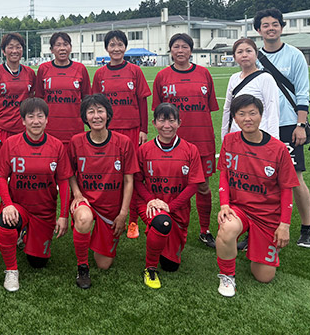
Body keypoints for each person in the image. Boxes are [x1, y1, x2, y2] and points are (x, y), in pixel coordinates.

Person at [215, 95, 299, 297]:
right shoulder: (229, 141)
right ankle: (227, 276)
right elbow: (224, 174)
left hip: (267, 215)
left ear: (261, 115)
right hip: (240, 209)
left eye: (252, 113)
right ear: (235, 118)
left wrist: (284, 225)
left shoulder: (279, 149)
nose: (247, 118)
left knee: (264, 276)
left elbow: (287, 189)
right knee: (227, 228)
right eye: (241, 114)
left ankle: (258, 242)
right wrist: (225, 204)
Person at [0, 98, 73, 292]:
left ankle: (25, 234)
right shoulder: (11, 144)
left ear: (47, 120)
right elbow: (1, 177)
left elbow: (64, 182)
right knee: (6, 222)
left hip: (44, 212)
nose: (36, 121)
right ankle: (11, 270)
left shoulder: (57, 146)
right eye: (31, 116)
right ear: (23, 120)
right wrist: (7, 204)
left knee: (38, 263)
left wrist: (63, 215)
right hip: (19, 207)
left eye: (40, 116)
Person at [255, 8, 310, 248]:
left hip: (289, 125)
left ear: (281, 27)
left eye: (275, 24)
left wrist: (300, 125)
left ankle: (306, 228)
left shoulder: (295, 55)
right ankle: (258, 227)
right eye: (265, 25)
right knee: (261, 178)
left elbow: (302, 92)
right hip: (261, 126)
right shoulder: (254, 56)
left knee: (295, 178)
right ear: (258, 30)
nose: (271, 28)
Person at [152, 33, 218, 248]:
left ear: (191, 50)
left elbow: (209, 107)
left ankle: (205, 230)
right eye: (176, 47)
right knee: (171, 187)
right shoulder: (162, 76)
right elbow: (158, 113)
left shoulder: (204, 73)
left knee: (203, 186)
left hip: (202, 140)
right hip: (172, 142)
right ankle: (166, 225)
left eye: (184, 47)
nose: (180, 51)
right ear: (170, 50)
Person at [68, 94, 137, 289]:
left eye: (100, 111)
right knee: (83, 218)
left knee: (104, 264)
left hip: (110, 210)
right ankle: (82, 267)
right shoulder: (76, 141)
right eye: (91, 112)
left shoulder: (123, 142)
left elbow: (129, 180)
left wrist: (123, 214)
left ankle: (95, 237)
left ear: (108, 115)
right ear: (85, 117)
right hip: (86, 203)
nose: (96, 116)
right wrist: (77, 194)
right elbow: (70, 173)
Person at [135, 103, 204, 289]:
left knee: (171, 266)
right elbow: (137, 182)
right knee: (162, 222)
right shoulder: (144, 150)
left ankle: (159, 237)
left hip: (177, 209)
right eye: (162, 120)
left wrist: (170, 206)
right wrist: (151, 200)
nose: (167, 125)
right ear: (154, 123)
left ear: (179, 123)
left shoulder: (190, 150)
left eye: (172, 121)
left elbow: (194, 185)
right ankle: (150, 268)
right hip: (150, 205)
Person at [91, 30, 150, 239]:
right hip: (108, 132)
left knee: (130, 175)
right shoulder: (100, 74)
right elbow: (95, 105)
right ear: (106, 48)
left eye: (120, 44)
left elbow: (142, 101)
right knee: (110, 175)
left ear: (125, 47)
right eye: (112, 45)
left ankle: (132, 220)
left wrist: (143, 129)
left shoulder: (135, 71)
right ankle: (110, 216)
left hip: (132, 130)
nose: (116, 49)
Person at [0, 33, 36, 239]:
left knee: (19, 177)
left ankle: (16, 219)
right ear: (3, 51)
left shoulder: (30, 73)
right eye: (10, 47)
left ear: (23, 50)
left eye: (18, 47)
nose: (15, 51)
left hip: (22, 133)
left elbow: (33, 101)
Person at [35, 32, 91, 147]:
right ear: (51, 49)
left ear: (70, 47)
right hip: (49, 130)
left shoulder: (80, 69)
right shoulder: (43, 69)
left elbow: (88, 99)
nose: (62, 48)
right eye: (58, 45)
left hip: (74, 130)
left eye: (65, 44)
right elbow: (38, 100)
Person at [221, 38, 279, 140]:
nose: (244, 55)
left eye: (248, 51)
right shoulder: (234, 78)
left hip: (259, 136)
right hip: (237, 135)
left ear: (256, 55)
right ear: (234, 57)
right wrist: (224, 135)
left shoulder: (265, 78)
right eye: (240, 52)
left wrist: (273, 140)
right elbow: (227, 109)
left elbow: (272, 110)